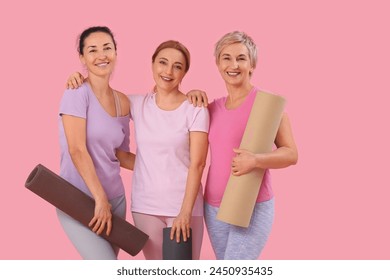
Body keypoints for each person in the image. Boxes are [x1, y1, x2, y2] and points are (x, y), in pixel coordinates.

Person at [66, 40, 209, 260]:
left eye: (177, 66)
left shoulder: (195, 109)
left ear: (184, 73)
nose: (168, 71)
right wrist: (80, 80)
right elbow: (102, 99)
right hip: (145, 206)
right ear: (152, 65)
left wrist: (185, 212)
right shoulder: (136, 104)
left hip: (184, 207)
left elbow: (198, 164)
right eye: (162, 62)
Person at [190, 31, 298, 260]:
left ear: (252, 64)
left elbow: (291, 154)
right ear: (218, 64)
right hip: (213, 207)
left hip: (252, 204)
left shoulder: (267, 105)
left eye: (241, 58)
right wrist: (191, 95)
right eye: (226, 58)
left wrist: (256, 160)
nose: (233, 65)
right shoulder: (211, 109)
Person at [58, 26, 133, 259]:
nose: (101, 55)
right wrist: (100, 200)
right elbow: (77, 150)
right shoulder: (76, 92)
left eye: (107, 48)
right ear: (82, 57)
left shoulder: (123, 102)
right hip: (79, 201)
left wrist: (165, 166)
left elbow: (121, 156)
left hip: (116, 202)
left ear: (116, 53)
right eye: (92, 50)